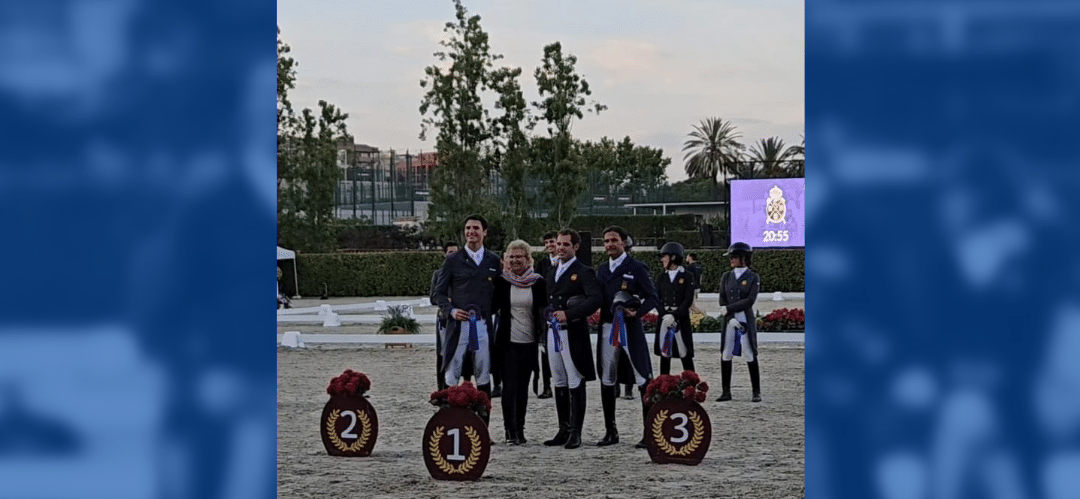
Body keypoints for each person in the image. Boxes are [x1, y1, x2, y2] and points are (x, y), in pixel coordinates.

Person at [594, 226, 659, 448]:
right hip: (607, 328)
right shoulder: (602, 269)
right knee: (607, 377)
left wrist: (637, 312)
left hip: (630, 327)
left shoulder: (636, 267)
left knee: (643, 377)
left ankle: (649, 431)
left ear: (624, 242)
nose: (609, 244)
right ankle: (610, 430)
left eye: (614, 240)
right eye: (606, 241)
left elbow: (652, 297)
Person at [432, 215, 502, 422]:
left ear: (485, 232)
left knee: (483, 372)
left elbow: (499, 293)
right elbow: (438, 293)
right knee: (452, 372)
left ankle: (483, 425)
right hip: (458, 325)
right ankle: (448, 420)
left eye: (476, 228)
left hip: (482, 325)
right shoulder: (453, 260)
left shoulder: (493, 260)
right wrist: (451, 310)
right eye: (468, 228)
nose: (471, 232)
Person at [542, 229, 601, 449]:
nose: (561, 248)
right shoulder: (552, 270)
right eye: (558, 244)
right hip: (553, 330)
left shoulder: (583, 271)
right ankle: (563, 427)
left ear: (575, 247)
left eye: (566, 244)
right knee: (558, 379)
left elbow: (595, 299)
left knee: (575, 378)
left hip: (572, 330)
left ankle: (576, 431)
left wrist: (570, 313)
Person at [492, 240, 547, 445]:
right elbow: (491, 306)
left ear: (528, 259)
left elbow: (543, 309)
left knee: (523, 388)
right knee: (510, 386)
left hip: (530, 341)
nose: (515, 260)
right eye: (511, 257)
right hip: (507, 342)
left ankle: (520, 429)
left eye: (519, 257)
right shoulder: (502, 281)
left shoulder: (538, 282)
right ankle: (509, 430)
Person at [717, 242, 763, 402]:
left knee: (749, 352)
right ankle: (726, 391)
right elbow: (722, 298)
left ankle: (756, 391)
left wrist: (729, 308)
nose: (731, 260)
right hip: (730, 320)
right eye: (731, 257)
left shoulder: (752, 277)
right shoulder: (726, 276)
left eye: (734, 257)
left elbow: (750, 300)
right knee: (726, 353)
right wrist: (729, 318)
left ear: (743, 258)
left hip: (744, 318)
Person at [653, 242, 697, 375]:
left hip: (680, 318)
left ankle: (691, 382)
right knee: (664, 353)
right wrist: (664, 314)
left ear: (673, 257)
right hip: (665, 318)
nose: (662, 260)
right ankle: (663, 383)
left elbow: (687, 300)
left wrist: (675, 315)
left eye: (664, 257)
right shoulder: (661, 277)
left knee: (685, 353)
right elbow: (656, 297)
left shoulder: (687, 276)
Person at [430, 242, 461, 390]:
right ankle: (441, 387)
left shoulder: (463, 272)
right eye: (450, 252)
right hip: (444, 318)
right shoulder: (438, 274)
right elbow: (433, 297)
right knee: (442, 352)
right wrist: (445, 302)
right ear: (445, 254)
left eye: (455, 252)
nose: (452, 255)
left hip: (460, 316)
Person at [532, 231, 558, 399]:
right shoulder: (542, 263)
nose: (549, 245)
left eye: (552, 242)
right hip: (545, 313)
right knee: (545, 351)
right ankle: (547, 385)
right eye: (547, 242)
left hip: (561, 311)